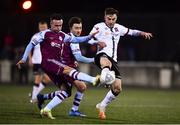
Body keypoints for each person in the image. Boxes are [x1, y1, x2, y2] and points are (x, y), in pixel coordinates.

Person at [16, 13, 101, 119]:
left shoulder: (62, 35)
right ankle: (93, 79)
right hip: (49, 62)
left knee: (66, 91)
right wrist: (24, 58)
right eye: (56, 25)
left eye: (60, 25)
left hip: (56, 64)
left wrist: (89, 37)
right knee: (69, 70)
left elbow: (76, 39)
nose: (58, 28)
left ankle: (46, 109)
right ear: (51, 24)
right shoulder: (44, 34)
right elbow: (30, 44)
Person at [88, 8, 153, 120]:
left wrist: (142, 33)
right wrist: (97, 42)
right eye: (109, 18)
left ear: (116, 18)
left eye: (113, 19)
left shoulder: (119, 28)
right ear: (105, 17)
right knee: (106, 62)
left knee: (117, 89)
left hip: (114, 60)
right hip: (101, 56)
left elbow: (132, 32)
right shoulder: (98, 27)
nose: (111, 21)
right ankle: (104, 78)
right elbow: (88, 39)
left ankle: (102, 105)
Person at [37, 16, 106, 117]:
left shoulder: (71, 38)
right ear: (70, 28)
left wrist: (96, 42)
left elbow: (84, 42)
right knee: (81, 87)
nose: (79, 30)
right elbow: (79, 57)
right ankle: (72, 110)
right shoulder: (71, 40)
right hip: (64, 68)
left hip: (65, 66)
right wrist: (95, 60)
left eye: (80, 28)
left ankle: (43, 97)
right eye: (76, 28)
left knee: (67, 92)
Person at [28, 21, 51, 103]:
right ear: (39, 27)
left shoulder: (50, 35)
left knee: (48, 79)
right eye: (41, 27)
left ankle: (34, 93)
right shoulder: (35, 36)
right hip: (37, 61)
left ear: (47, 27)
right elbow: (30, 48)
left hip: (46, 61)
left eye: (44, 27)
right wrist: (30, 59)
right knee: (37, 78)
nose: (42, 29)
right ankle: (34, 98)